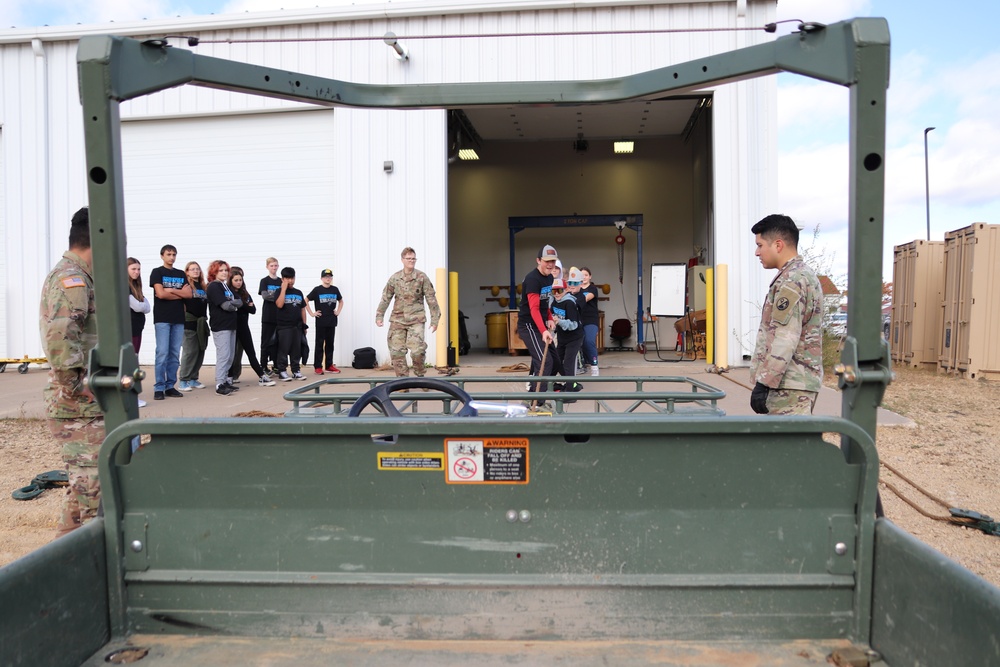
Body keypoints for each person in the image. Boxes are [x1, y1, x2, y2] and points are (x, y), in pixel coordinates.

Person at [39, 206, 104, 536]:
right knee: (92, 493)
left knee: (85, 494)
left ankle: (63, 565)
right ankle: (73, 568)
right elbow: (60, 340)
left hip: (84, 405)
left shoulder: (81, 276)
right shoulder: (72, 280)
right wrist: (80, 387)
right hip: (78, 407)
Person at [749, 214, 824, 415]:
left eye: (760, 245)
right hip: (794, 384)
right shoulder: (801, 275)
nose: (757, 252)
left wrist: (764, 383)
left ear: (778, 245)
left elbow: (785, 337)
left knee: (786, 446)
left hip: (789, 387)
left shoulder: (792, 280)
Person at [375, 247, 441, 378]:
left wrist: (435, 320)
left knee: (417, 351)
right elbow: (386, 297)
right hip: (397, 320)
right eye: (409, 259)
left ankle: (420, 375)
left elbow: (431, 299)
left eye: (413, 258)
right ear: (402, 260)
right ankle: (402, 381)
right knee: (396, 352)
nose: (411, 261)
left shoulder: (421, 277)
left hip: (416, 320)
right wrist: (379, 315)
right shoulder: (395, 278)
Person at [149, 244, 193, 400]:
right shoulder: (157, 272)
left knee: (174, 354)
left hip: (178, 319)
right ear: (162, 255)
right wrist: (179, 293)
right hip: (162, 318)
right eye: (169, 254)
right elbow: (160, 294)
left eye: (174, 254)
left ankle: (170, 386)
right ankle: (159, 387)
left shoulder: (181, 273)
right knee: (162, 353)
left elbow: (188, 295)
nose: (172, 257)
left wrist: (172, 291)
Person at [517, 244, 558, 406]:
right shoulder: (533, 279)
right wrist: (543, 331)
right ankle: (535, 402)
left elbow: (544, 302)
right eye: (547, 261)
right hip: (529, 325)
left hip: (540, 323)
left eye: (553, 261)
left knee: (554, 361)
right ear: (538, 260)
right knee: (544, 361)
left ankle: (533, 393)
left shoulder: (549, 277)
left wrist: (548, 317)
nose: (550, 264)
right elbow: (533, 309)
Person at [226, 266, 276, 387]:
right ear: (231, 281)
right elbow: (233, 307)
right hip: (232, 326)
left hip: (243, 327)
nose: (238, 282)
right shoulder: (228, 293)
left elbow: (252, 309)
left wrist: (242, 305)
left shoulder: (244, 293)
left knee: (250, 352)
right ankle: (229, 377)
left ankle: (261, 376)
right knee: (231, 354)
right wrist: (244, 305)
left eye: (240, 280)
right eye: (236, 280)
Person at [206, 260, 243, 395]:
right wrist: (233, 305)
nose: (224, 273)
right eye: (220, 270)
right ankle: (219, 383)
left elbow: (240, 301)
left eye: (225, 270)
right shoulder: (213, 287)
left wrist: (232, 304)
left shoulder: (226, 287)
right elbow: (225, 306)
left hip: (231, 325)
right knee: (223, 355)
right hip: (221, 326)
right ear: (214, 272)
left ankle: (226, 380)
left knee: (230, 356)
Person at [550, 273, 585, 399]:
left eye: (559, 290)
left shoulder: (569, 303)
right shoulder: (554, 302)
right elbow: (552, 318)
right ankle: (569, 384)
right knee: (556, 361)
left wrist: (559, 321)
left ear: (565, 290)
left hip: (575, 337)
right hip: (562, 337)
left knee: (568, 363)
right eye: (554, 291)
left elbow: (574, 324)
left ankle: (570, 393)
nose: (557, 294)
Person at [177, 261, 208, 391]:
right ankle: (183, 380)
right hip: (189, 321)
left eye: (197, 269)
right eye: (192, 269)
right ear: (187, 271)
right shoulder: (186, 285)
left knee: (201, 350)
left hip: (201, 322)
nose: (195, 271)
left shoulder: (202, 286)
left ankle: (194, 378)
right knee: (190, 351)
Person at [306, 269, 344, 374]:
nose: (328, 278)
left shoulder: (335, 289)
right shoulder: (317, 290)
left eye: (330, 277)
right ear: (321, 278)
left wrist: (338, 311)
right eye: (326, 277)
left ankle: (329, 365)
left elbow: (341, 301)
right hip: (321, 321)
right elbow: (306, 300)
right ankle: (318, 366)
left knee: (330, 344)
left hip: (331, 321)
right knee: (319, 344)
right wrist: (312, 313)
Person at [274, 266, 308, 381]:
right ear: (282, 279)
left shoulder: (298, 292)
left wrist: (304, 325)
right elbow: (279, 304)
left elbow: (303, 309)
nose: (290, 281)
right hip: (284, 326)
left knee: (296, 350)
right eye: (287, 278)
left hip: (297, 326)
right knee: (283, 349)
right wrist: (283, 289)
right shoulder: (278, 291)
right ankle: (282, 371)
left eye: (292, 278)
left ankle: (296, 370)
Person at [127, 257, 151, 407]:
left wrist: (142, 304)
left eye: (138, 269)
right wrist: (142, 304)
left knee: (133, 362)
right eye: (133, 269)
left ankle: (132, 395)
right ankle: (130, 397)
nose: (136, 272)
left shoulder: (137, 286)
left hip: (137, 329)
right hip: (129, 330)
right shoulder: (125, 286)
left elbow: (147, 307)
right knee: (129, 363)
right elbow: (138, 306)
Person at [258, 257, 281, 373]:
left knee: (278, 342)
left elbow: (285, 297)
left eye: (275, 265)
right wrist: (278, 297)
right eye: (271, 266)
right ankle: (263, 366)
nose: (274, 268)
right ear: (267, 267)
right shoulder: (264, 281)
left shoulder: (281, 281)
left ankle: (277, 365)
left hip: (280, 316)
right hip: (268, 316)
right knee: (266, 342)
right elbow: (265, 296)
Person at [579, 266, 601, 376]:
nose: (584, 277)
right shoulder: (576, 288)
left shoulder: (593, 289)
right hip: (578, 320)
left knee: (589, 341)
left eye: (586, 275)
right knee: (579, 343)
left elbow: (586, 299)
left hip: (591, 320)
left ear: (590, 277)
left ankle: (594, 365)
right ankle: (583, 364)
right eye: (581, 275)